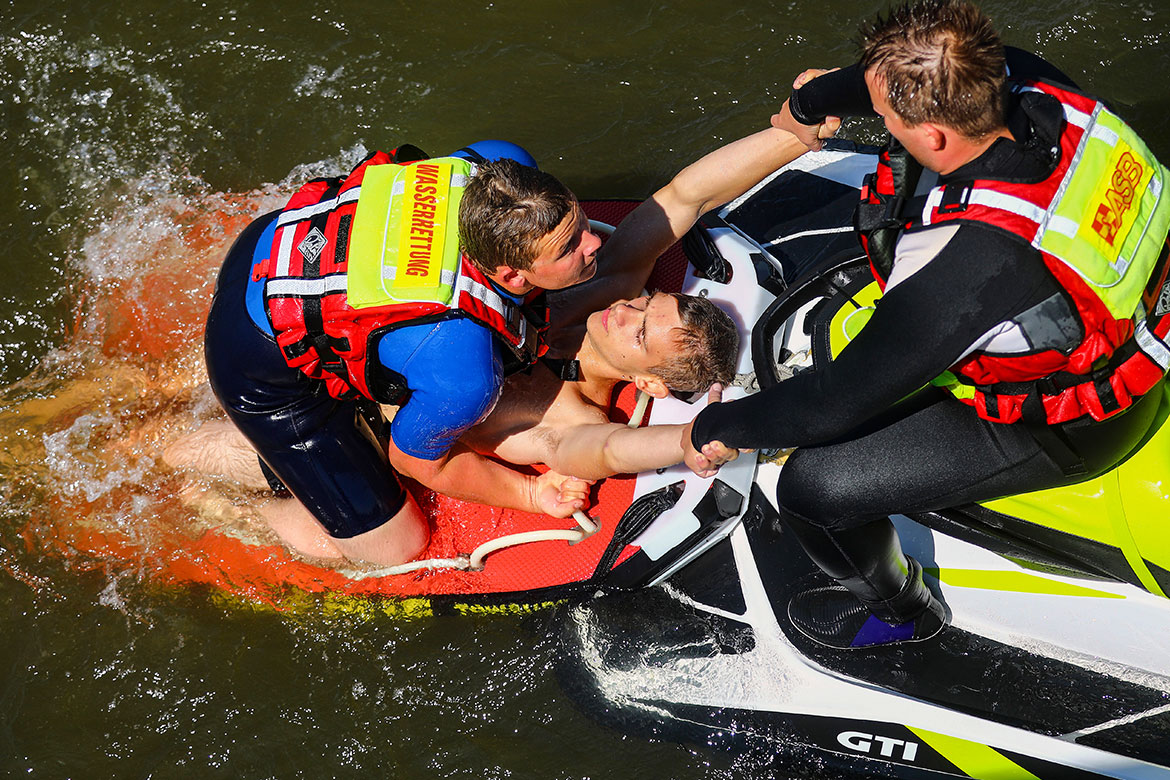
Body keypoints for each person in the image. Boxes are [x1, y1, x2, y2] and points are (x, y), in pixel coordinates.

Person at [683, 0, 1170, 649]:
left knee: (812, 490)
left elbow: (832, 404)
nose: (879, 119)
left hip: (1076, 424)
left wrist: (714, 428)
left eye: (886, 118)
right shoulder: (1036, 87)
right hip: (1136, 315)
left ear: (935, 136)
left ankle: (905, 613)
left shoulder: (971, 267)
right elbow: (893, 71)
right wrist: (813, 103)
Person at [200, 128, 814, 567]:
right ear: (514, 274)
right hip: (265, 341)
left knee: (369, 534)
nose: (624, 299)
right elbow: (684, 196)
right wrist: (793, 131)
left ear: (650, 384)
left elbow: (608, 446)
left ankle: (193, 493)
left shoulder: (567, 414)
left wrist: (687, 441)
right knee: (393, 548)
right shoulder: (509, 338)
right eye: (571, 238)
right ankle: (210, 442)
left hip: (279, 249)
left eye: (641, 325)